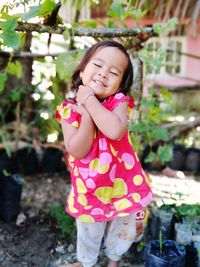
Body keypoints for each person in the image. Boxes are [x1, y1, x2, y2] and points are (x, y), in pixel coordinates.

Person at [56, 40, 152, 267]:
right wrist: (87, 116)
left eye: (114, 72)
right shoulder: (69, 110)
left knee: (124, 225)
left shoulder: (119, 101)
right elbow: (78, 150)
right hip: (90, 187)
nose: (103, 74)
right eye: (98, 65)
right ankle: (87, 262)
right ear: (83, 69)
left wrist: (89, 101)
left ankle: (114, 260)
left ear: (121, 84)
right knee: (89, 229)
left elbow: (114, 130)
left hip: (124, 181)